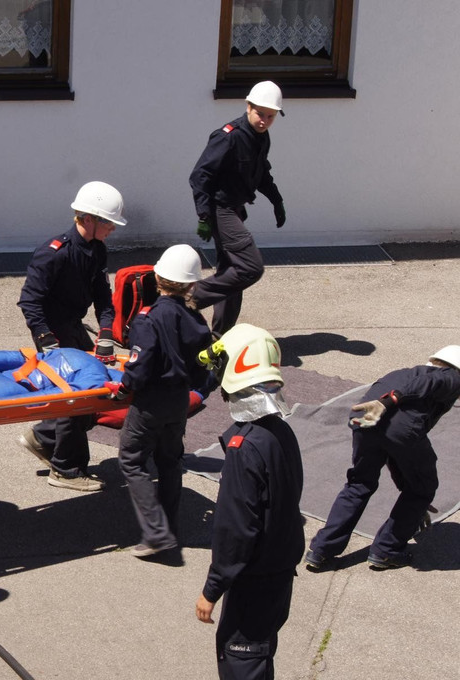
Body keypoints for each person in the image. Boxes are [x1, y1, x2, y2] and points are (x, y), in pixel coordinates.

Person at [194, 323, 304, 680]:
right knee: (262, 651)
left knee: (242, 658)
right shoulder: (281, 432)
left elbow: (236, 529)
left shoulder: (245, 448)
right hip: (279, 573)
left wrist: (212, 589)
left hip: (254, 581)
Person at [305, 345, 460, 571]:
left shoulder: (402, 373)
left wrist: (412, 499)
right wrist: (389, 400)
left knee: (359, 484)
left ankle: (321, 550)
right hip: (398, 427)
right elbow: (428, 382)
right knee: (424, 488)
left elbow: (394, 455)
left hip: (365, 422)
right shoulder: (450, 377)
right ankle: (387, 551)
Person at [16, 181, 126, 491]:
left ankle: (43, 437)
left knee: (97, 391)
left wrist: (107, 333)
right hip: (53, 331)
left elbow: (103, 297)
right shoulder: (53, 254)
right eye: (108, 222)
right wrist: (46, 340)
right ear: (88, 219)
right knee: (77, 399)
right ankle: (66, 470)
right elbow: (30, 301)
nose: (112, 229)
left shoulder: (96, 250)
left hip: (74, 326)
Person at [117, 244, 213, 556]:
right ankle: (170, 528)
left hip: (151, 402)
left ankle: (156, 533)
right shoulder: (196, 320)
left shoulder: (149, 318)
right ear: (191, 284)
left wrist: (123, 388)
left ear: (157, 278)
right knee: (170, 462)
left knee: (131, 459)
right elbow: (201, 366)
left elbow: (140, 366)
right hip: (179, 401)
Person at [189, 80, 287, 337]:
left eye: (270, 116)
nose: (264, 121)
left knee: (231, 273)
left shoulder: (261, 138)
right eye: (260, 114)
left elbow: (261, 173)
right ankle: (188, 299)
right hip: (219, 209)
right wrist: (204, 216)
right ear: (248, 106)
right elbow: (200, 176)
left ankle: (220, 336)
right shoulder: (228, 137)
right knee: (250, 267)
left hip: (235, 207)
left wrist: (276, 200)